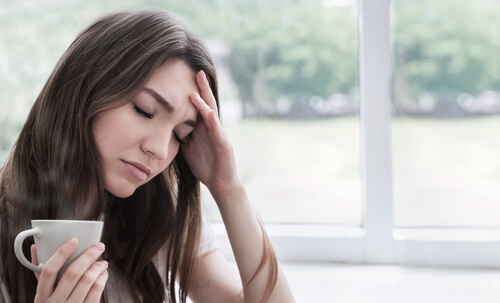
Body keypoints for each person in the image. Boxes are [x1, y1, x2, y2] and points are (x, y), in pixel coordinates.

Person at [0, 8, 295, 303]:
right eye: (145, 110)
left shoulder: (157, 211)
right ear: (86, 88)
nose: (160, 149)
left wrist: (228, 190)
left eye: (180, 135)